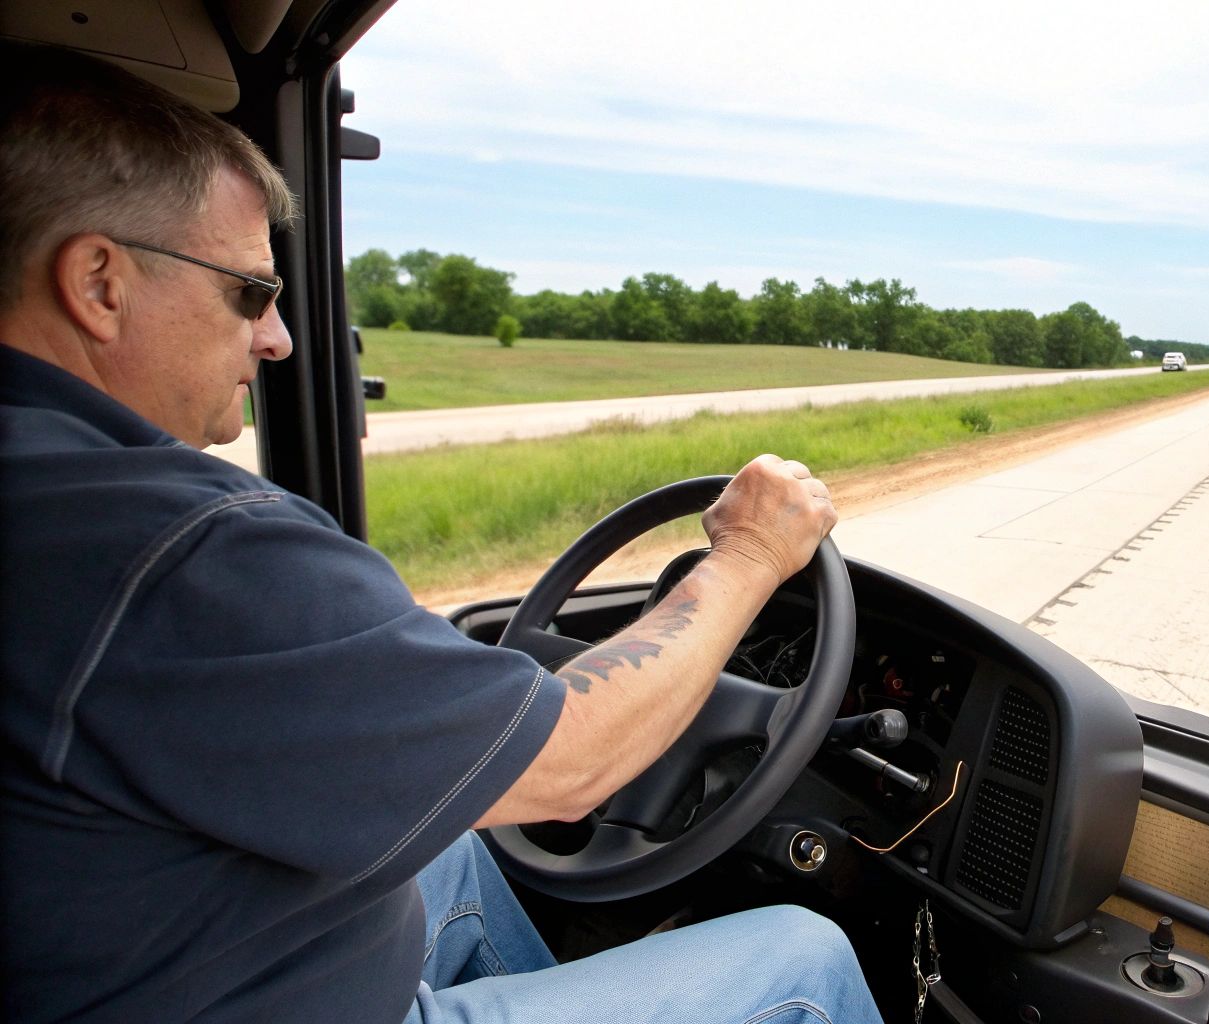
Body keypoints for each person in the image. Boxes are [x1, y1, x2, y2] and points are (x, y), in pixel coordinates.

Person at [0, 43, 883, 1024]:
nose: (279, 337)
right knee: (804, 955)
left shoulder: (47, 488)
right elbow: (569, 767)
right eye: (249, 291)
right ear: (99, 283)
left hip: (172, 955)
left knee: (450, 838)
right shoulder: (175, 545)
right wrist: (752, 556)